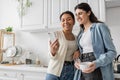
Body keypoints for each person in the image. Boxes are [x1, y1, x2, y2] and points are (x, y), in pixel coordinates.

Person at [73, 3, 117, 80]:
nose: (77, 17)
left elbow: (112, 52)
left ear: (88, 12)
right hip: (83, 67)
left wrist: (96, 63)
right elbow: (82, 51)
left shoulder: (100, 27)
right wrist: (77, 61)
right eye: (76, 15)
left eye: (80, 13)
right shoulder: (81, 33)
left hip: (96, 66)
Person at [45, 11, 80, 80]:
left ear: (74, 21)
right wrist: (53, 51)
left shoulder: (77, 38)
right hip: (54, 72)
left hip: (70, 71)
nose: (66, 22)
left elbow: (79, 50)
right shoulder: (56, 35)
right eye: (63, 20)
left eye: (69, 19)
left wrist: (78, 51)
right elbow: (50, 55)